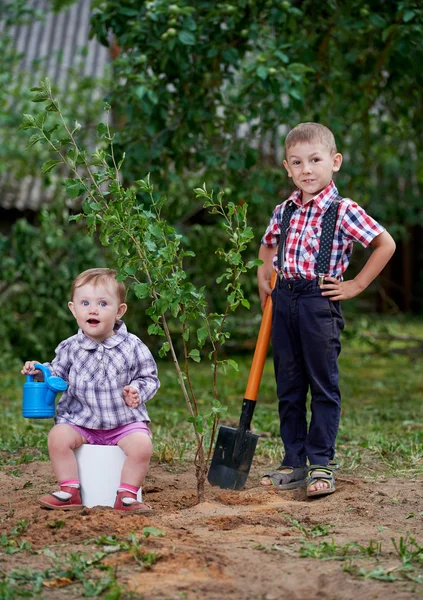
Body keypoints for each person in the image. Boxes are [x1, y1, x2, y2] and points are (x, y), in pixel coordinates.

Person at [258, 122, 396, 498]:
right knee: (288, 384)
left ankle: (321, 461)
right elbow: (268, 247)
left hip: (319, 302)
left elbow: (386, 244)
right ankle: (294, 460)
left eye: (315, 160)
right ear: (287, 167)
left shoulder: (343, 210)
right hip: (284, 299)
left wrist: (356, 284)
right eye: (297, 162)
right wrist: (264, 281)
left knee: (322, 384)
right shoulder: (283, 210)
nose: (306, 169)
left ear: (334, 162)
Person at [21, 268, 160, 512]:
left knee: (142, 445)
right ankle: (69, 491)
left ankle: (126, 495)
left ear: (119, 311)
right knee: (57, 437)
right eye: (85, 303)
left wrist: (137, 390)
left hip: (123, 422)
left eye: (103, 303)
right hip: (81, 421)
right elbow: (56, 374)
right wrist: (39, 370)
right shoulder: (70, 347)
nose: (92, 310)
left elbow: (149, 377)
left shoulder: (132, 346)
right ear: (74, 309)